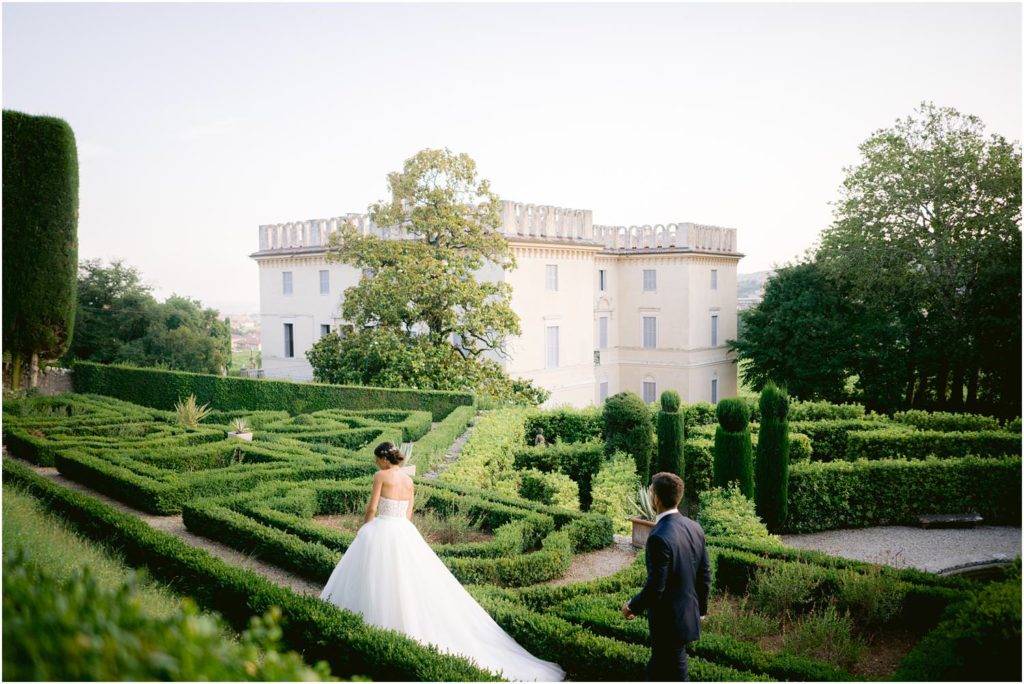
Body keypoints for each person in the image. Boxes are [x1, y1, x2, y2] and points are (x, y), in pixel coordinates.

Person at [320, 442, 564, 682]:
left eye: (377, 459)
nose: (376, 463)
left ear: (384, 459)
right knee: (408, 580)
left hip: (382, 529)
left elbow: (371, 508)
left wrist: (366, 528)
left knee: (376, 576)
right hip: (404, 531)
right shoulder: (408, 480)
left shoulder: (380, 475)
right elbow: (408, 513)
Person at [621, 472, 711, 681]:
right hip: (685, 617)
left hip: (668, 625)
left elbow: (656, 587)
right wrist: (701, 611)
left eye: (651, 492)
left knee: (675, 674)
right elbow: (705, 575)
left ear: (656, 499)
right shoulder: (694, 527)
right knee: (659, 672)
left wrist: (632, 606)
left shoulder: (659, 536)